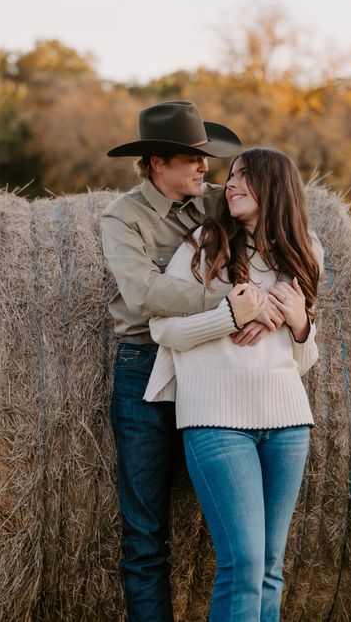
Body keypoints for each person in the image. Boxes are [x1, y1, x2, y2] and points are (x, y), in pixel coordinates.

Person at [101, 101, 281, 622]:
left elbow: (288, 232)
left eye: (207, 158)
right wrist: (226, 306)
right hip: (144, 367)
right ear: (157, 162)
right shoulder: (123, 217)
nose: (207, 168)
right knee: (145, 532)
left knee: (240, 535)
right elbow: (141, 292)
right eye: (192, 159)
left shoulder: (219, 204)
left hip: (212, 364)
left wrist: (290, 305)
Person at [143, 147, 324, 622]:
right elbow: (162, 329)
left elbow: (302, 358)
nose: (232, 185)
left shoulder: (305, 248)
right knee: (243, 564)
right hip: (217, 422)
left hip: (287, 424)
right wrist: (227, 317)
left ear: (275, 187)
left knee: (269, 569)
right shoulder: (204, 243)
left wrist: (300, 324)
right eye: (231, 177)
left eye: (245, 177)